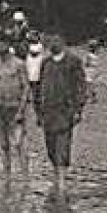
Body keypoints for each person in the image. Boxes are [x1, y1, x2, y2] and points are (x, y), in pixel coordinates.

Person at [34, 33, 88, 192]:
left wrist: (78, 109)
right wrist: (38, 111)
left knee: (62, 145)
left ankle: (62, 181)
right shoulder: (46, 63)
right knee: (50, 146)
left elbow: (80, 87)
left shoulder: (73, 62)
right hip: (47, 111)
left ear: (62, 42)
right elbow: (39, 88)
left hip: (65, 110)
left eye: (55, 40)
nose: (52, 44)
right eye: (49, 41)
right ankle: (56, 176)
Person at [0, 39, 31, 174]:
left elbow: (26, 87)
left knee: (19, 143)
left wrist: (22, 109)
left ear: (7, 45)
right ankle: (7, 173)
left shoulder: (18, 64)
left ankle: (25, 174)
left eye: (0, 43)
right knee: (3, 144)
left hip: (15, 106)